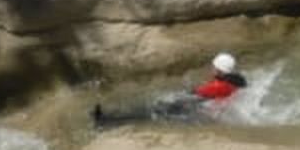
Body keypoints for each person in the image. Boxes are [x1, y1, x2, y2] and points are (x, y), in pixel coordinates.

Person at [92, 52, 247, 128]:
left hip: (199, 112)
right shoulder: (237, 80)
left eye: (213, 66)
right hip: (206, 109)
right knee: (154, 111)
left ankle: (106, 121)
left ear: (219, 70)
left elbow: (194, 93)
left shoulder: (217, 86)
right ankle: (110, 118)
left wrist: (174, 97)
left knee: (153, 110)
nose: (211, 68)